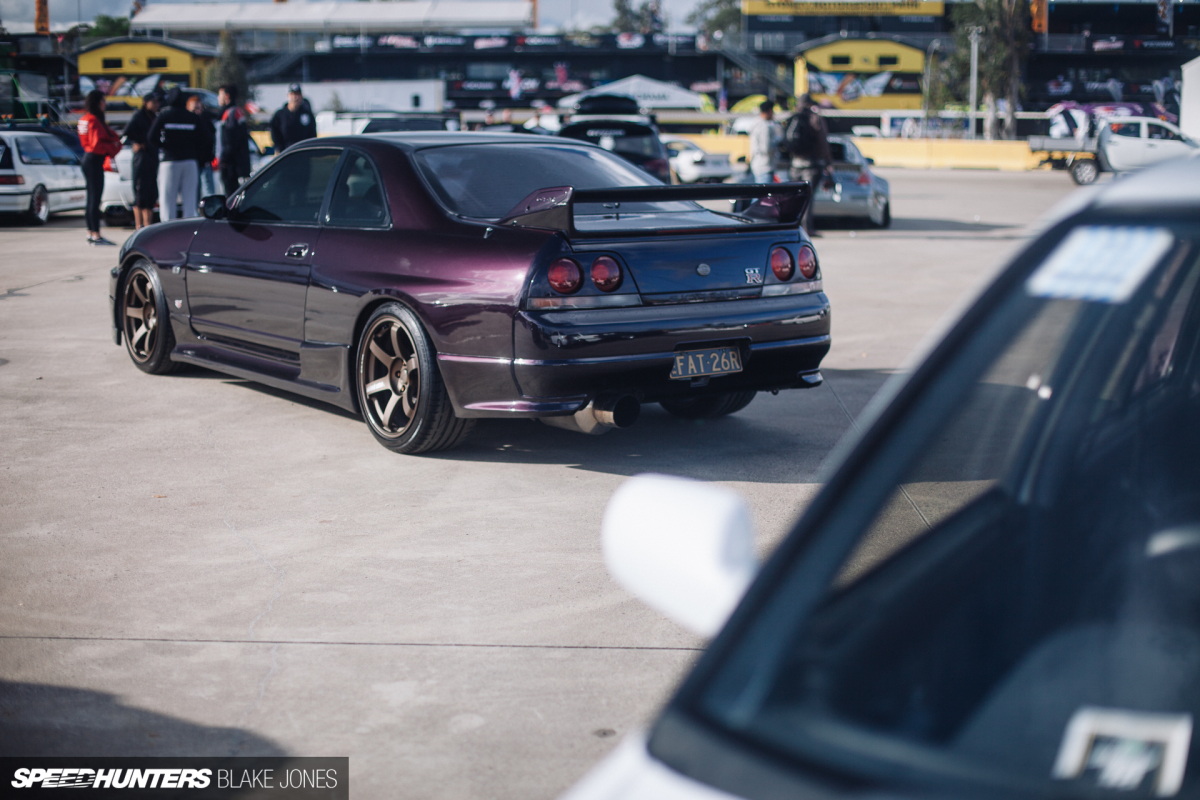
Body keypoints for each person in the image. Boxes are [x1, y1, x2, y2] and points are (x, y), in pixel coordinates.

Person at [147, 86, 205, 220]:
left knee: (167, 199)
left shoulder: (164, 115)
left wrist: (165, 146)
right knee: (190, 199)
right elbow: (205, 138)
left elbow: (151, 137)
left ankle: (168, 230)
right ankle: (189, 229)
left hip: (169, 161)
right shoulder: (192, 117)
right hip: (190, 161)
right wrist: (195, 151)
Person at [76, 90, 122, 245]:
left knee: (91, 198)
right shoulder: (94, 120)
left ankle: (91, 232)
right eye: (103, 100)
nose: (105, 104)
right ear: (97, 102)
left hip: (88, 159)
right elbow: (97, 145)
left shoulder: (84, 119)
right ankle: (96, 234)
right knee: (95, 199)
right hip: (95, 160)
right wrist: (113, 145)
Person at [785, 94, 833, 235]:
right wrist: (828, 162)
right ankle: (806, 228)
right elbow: (823, 143)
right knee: (807, 199)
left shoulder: (792, 117)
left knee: (795, 198)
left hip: (795, 165)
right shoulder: (814, 118)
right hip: (811, 165)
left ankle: (793, 226)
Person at [122, 90, 161, 229]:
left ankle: (148, 225)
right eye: (154, 102)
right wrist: (138, 142)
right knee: (141, 193)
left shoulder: (155, 116)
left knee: (152, 193)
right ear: (146, 103)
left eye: (158, 102)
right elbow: (127, 132)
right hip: (142, 158)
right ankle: (140, 226)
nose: (157, 104)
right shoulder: (139, 116)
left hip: (152, 157)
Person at [216, 84, 252, 198]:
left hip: (230, 164)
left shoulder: (230, 113)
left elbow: (230, 138)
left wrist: (225, 159)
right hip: (237, 162)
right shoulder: (237, 111)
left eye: (219, 94)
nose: (218, 98)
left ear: (226, 96)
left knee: (230, 195)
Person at [269, 83, 316, 153]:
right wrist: (278, 147)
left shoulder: (307, 114)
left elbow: (312, 134)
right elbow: (274, 132)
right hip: (285, 153)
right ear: (287, 96)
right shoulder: (280, 115)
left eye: (297, 94)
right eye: (292, 94)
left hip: (303, 152)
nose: (295, 97)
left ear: (301, 96)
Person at [187, 93, 217, 199]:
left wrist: (210, 156)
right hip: (191, 162)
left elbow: (212, 139)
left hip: (204, 162)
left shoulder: (206, 122)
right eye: (195, 108)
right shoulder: (187, 123)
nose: (197, 111)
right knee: (193, 193)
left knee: (208, 192)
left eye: (199, 108)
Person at [748, 99, 784, 184]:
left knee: (759, 193)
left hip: (757, 164)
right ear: (770, 111)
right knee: (763, 195)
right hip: (765, 166)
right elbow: (766, 148)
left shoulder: (756, 123)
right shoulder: (764, 126)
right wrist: (777, 141)